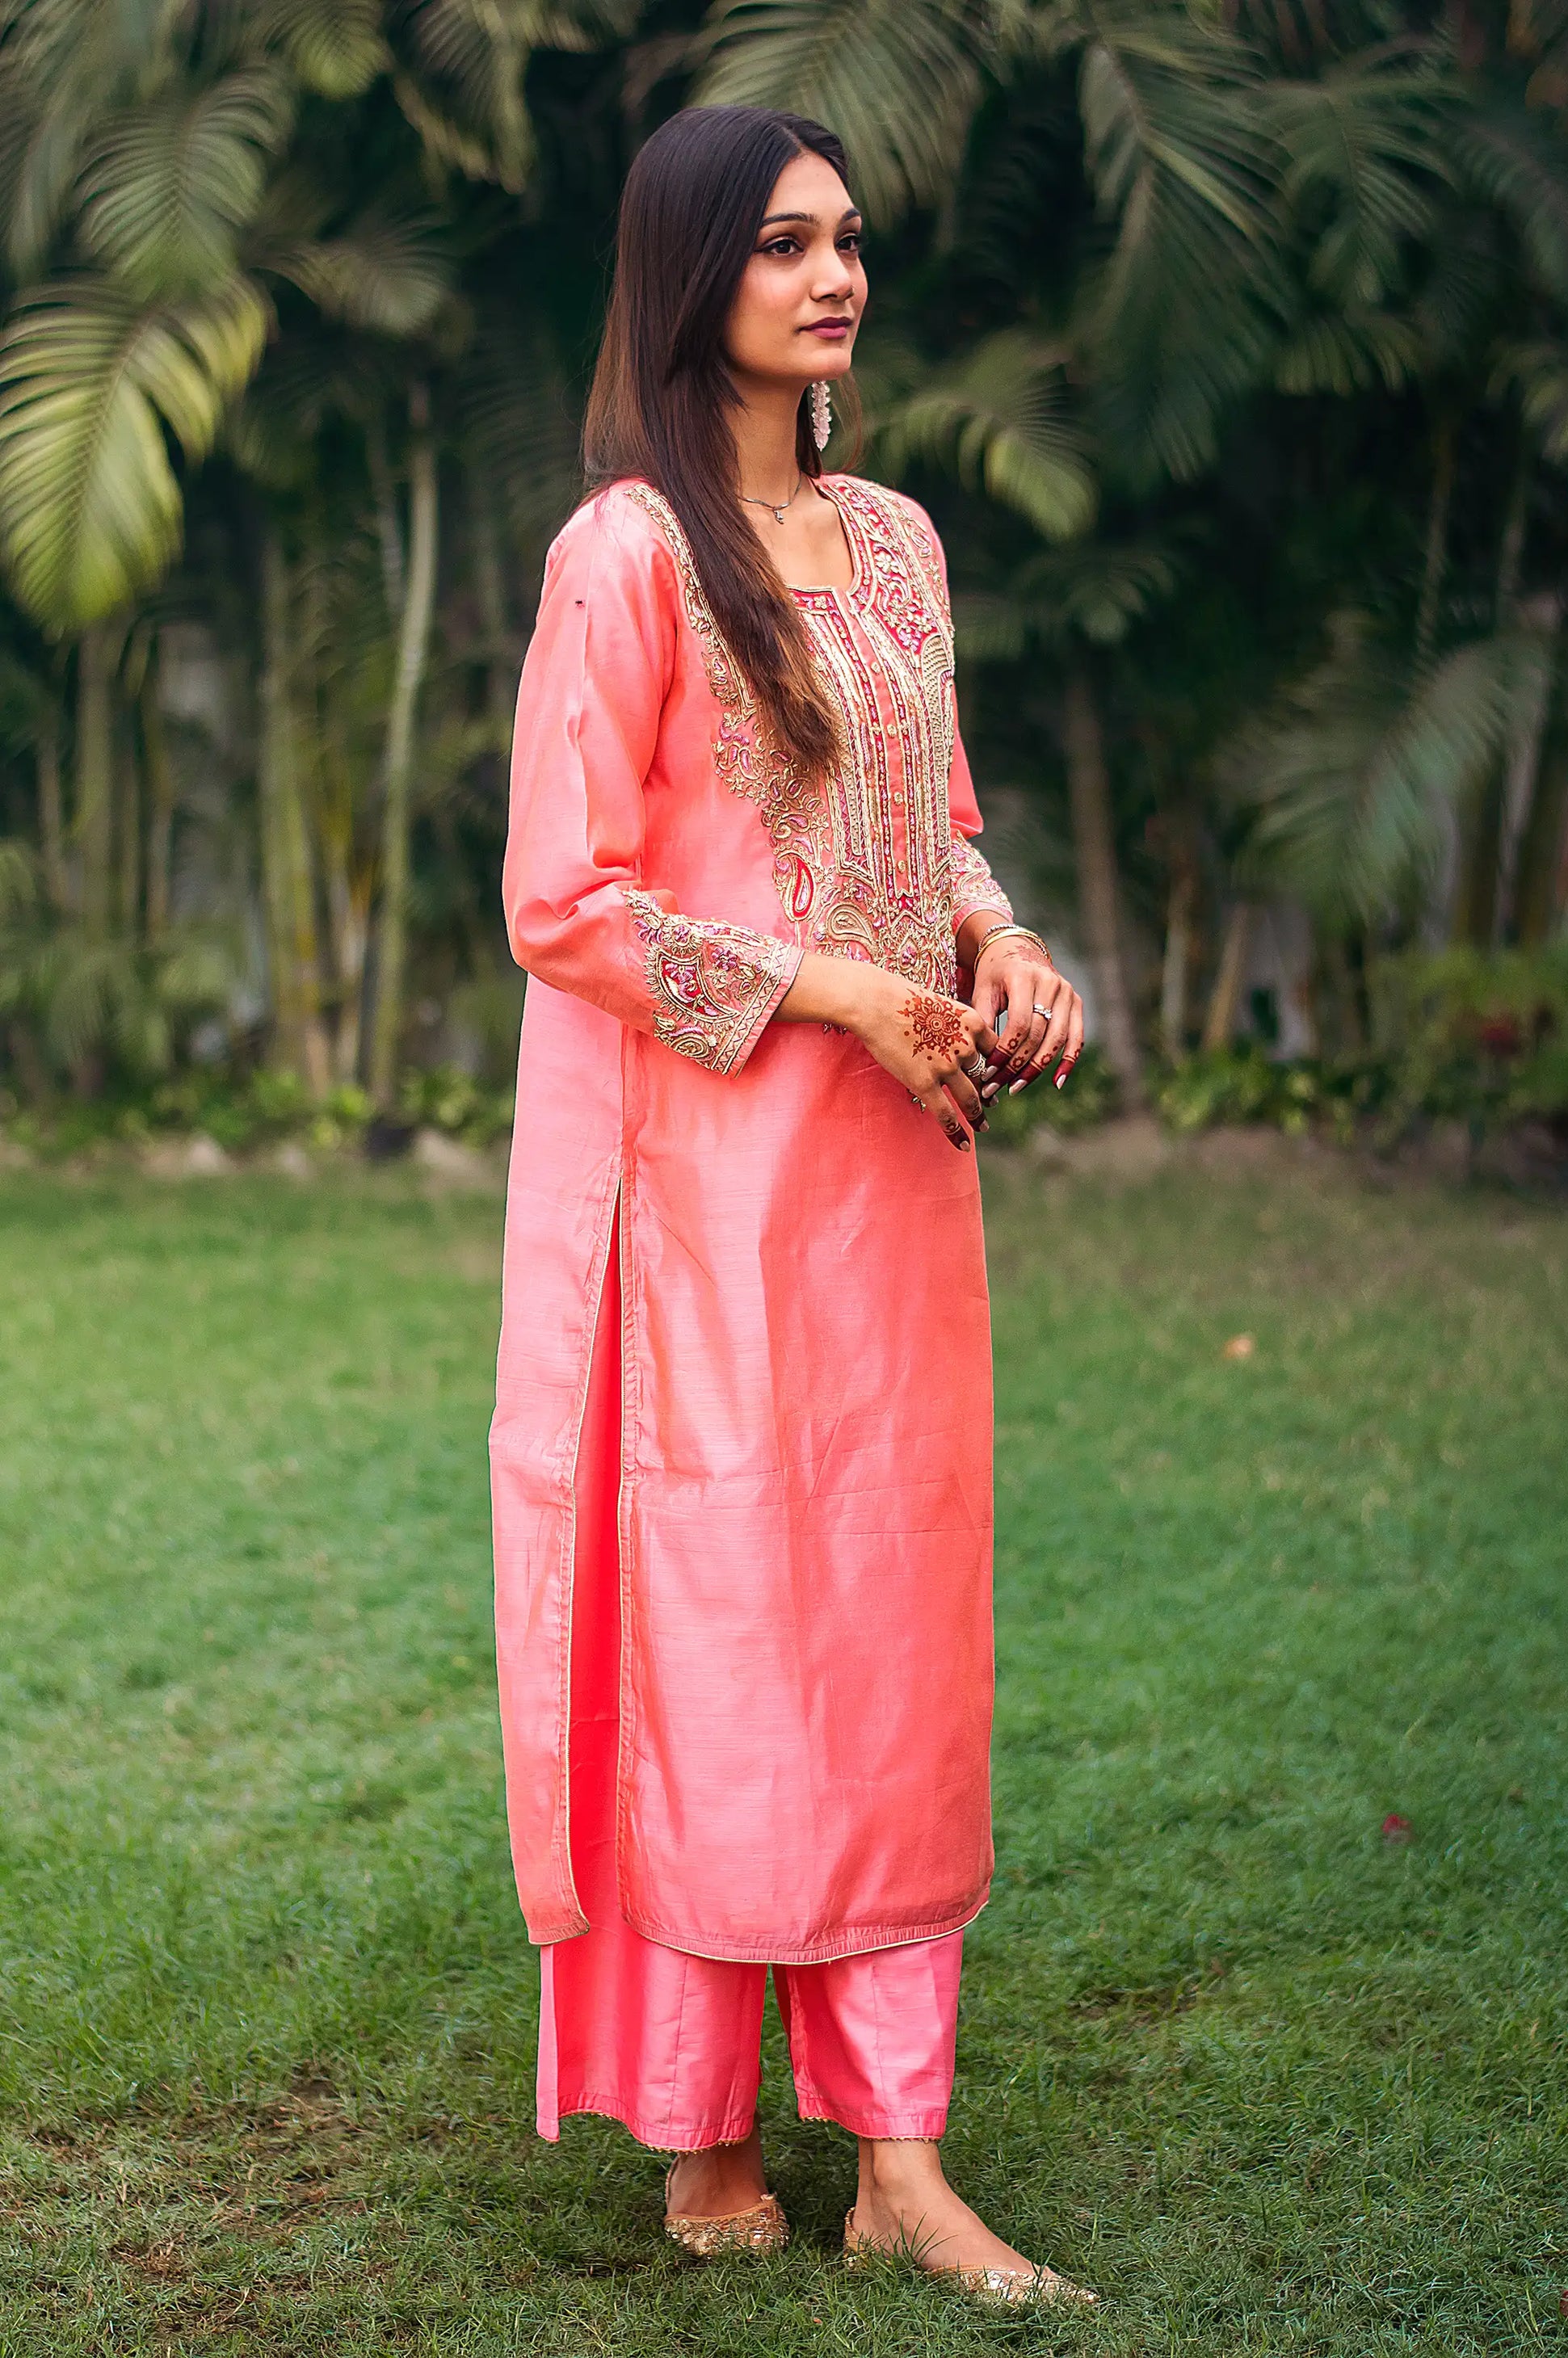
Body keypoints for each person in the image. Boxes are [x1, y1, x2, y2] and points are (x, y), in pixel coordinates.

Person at [490, 102, 1092, 2310]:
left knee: (895, 1643)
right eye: (778, 246)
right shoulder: (624, 558)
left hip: (894, 1187)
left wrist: (999, 950)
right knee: (731, 1643)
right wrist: (832, 986)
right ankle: (701, 2129)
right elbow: (561, 899)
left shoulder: (903, 541)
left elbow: (931, 829)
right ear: (687, 282)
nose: (831, 276)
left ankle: (901, 2158)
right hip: (711, 1194)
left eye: (845, 240)